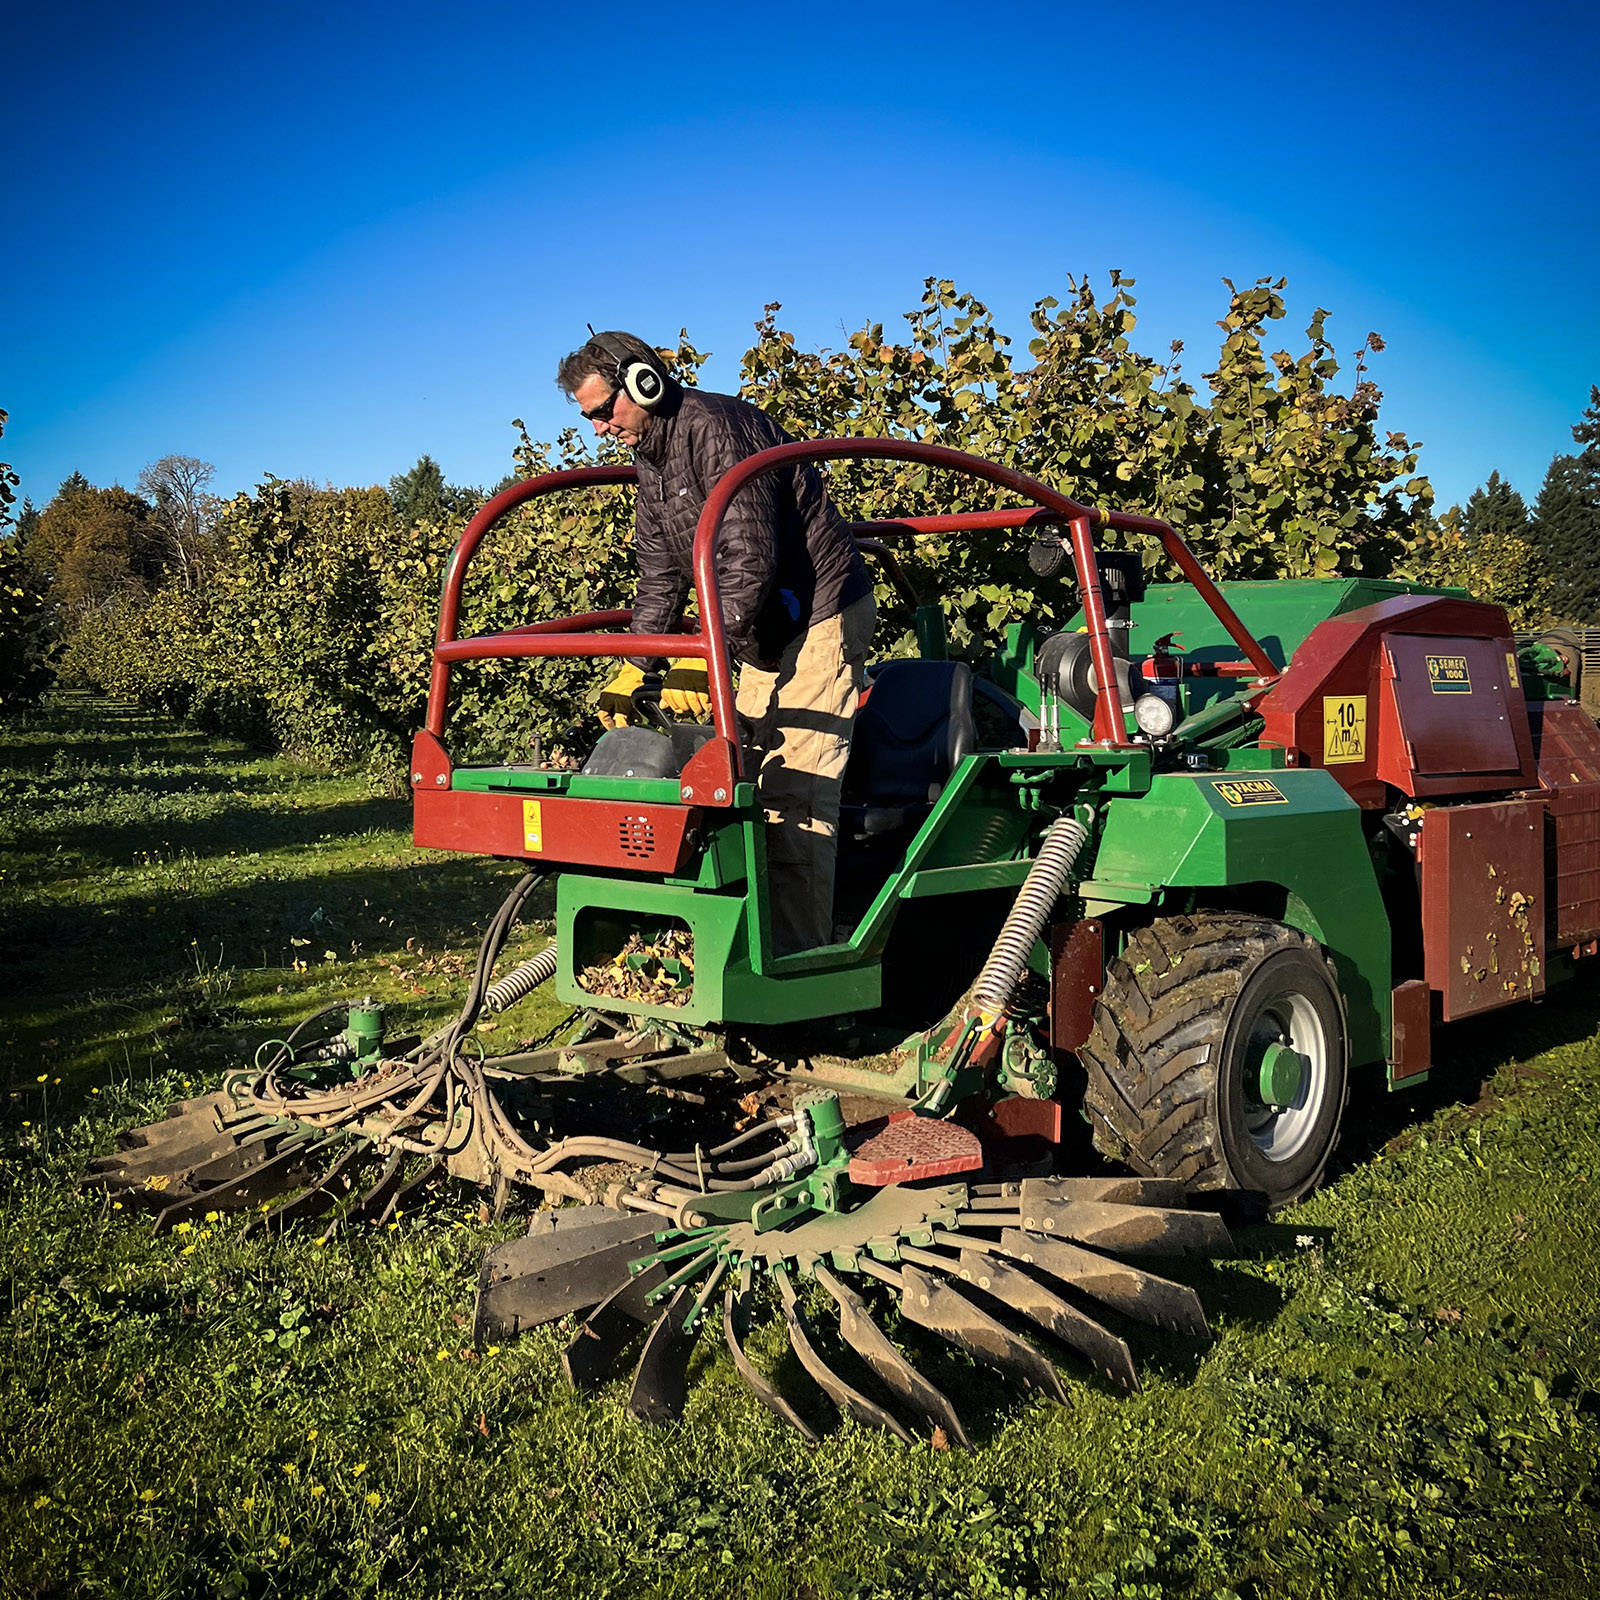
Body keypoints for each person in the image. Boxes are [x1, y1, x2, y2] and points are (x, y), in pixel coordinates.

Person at [556, 330, 875, 955]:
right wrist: (640, 666)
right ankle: (737, 946)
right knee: (742, 785)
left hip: (818, 613)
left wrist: (706, 655)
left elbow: (746, 559)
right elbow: (660, 577)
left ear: (643, 384)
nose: (597, 429)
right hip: (758, 629)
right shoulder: (651, 459)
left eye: (601, 411)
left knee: (795, 794)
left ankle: (796, 968)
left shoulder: (717, 429)